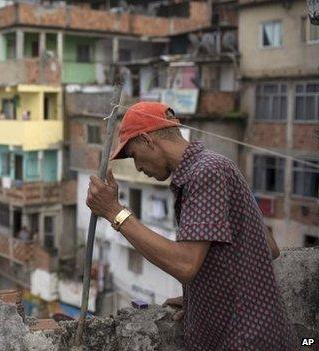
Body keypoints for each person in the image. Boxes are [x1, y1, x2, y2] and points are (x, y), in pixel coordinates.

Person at [86, 101, 294, 350]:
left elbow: (185, 264)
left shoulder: (205, 173)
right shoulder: (212, 166)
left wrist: (113, 211)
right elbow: (268, 247)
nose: (139, 167)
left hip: (245, 339)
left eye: (133, 156)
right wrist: (202, 296)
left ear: (147, 140)